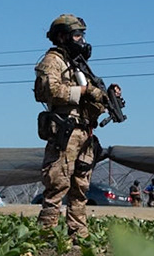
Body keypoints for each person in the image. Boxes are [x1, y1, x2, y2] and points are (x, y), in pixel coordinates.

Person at [34, 14, 121, 242]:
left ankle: (79, 236)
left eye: (82, 35)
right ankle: (44, 236)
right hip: (66, 130)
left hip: (84, 133)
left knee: (80, 188)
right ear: (62, 36)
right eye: (76, 34)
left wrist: (107, 96)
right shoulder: (53, 61)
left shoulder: (78, 65)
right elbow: (47, 91)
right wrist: (82, 92)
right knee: (57, 185)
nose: (81, 39)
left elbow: (94, 99)